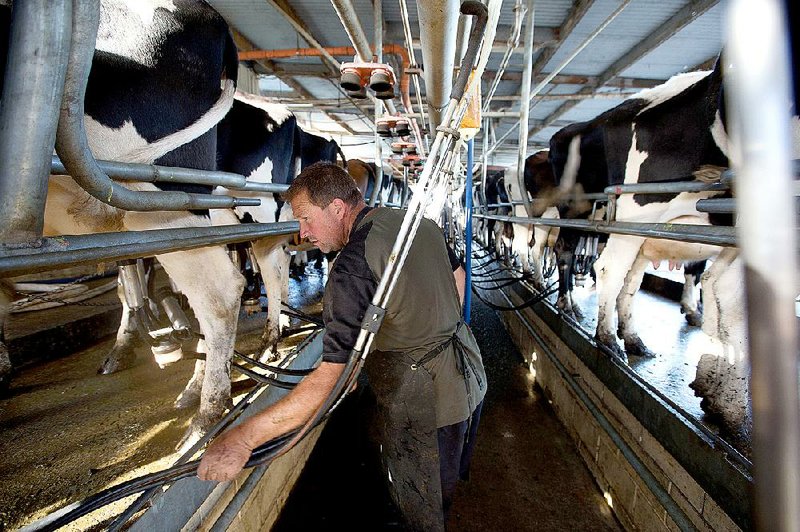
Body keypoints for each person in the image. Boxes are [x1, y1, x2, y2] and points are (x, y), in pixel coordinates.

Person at [198, 162, 486, 531]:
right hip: (468, 379)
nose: (301, 234)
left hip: (426, 405)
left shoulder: (351, 267)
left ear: (337, 208)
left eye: (305, 218)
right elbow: (458, 278)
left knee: (420, 510)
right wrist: (419, 321)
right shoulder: (415, 223)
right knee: (441, 492)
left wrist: (243, 438)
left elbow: (335, 380)